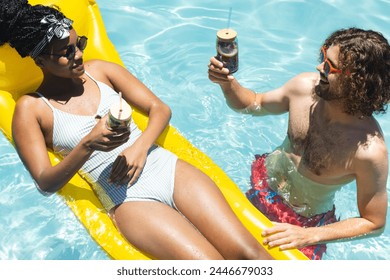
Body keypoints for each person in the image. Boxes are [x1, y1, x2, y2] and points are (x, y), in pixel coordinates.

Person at [0, 0, 273, 260]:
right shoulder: (32, 109)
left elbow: (160, 109)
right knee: (210, 265)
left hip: (164, 167)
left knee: (250, 255)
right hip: (128, 200)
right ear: (40, 61)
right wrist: (88, 144)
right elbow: (45, 182)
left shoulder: (101, 71)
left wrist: (139, 148)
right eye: (66, 53)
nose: (79, 55)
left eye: (79, 44)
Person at [208, 27, 389, 259]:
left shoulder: (368, 151)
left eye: (329, 66)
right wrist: (227, 84)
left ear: (358, 81)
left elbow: (373, 222)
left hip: (302, 222)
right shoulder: (304, 89)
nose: (319, 67)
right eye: (323, 56)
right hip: (262, 185)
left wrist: (309, 235)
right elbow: (253, 103)